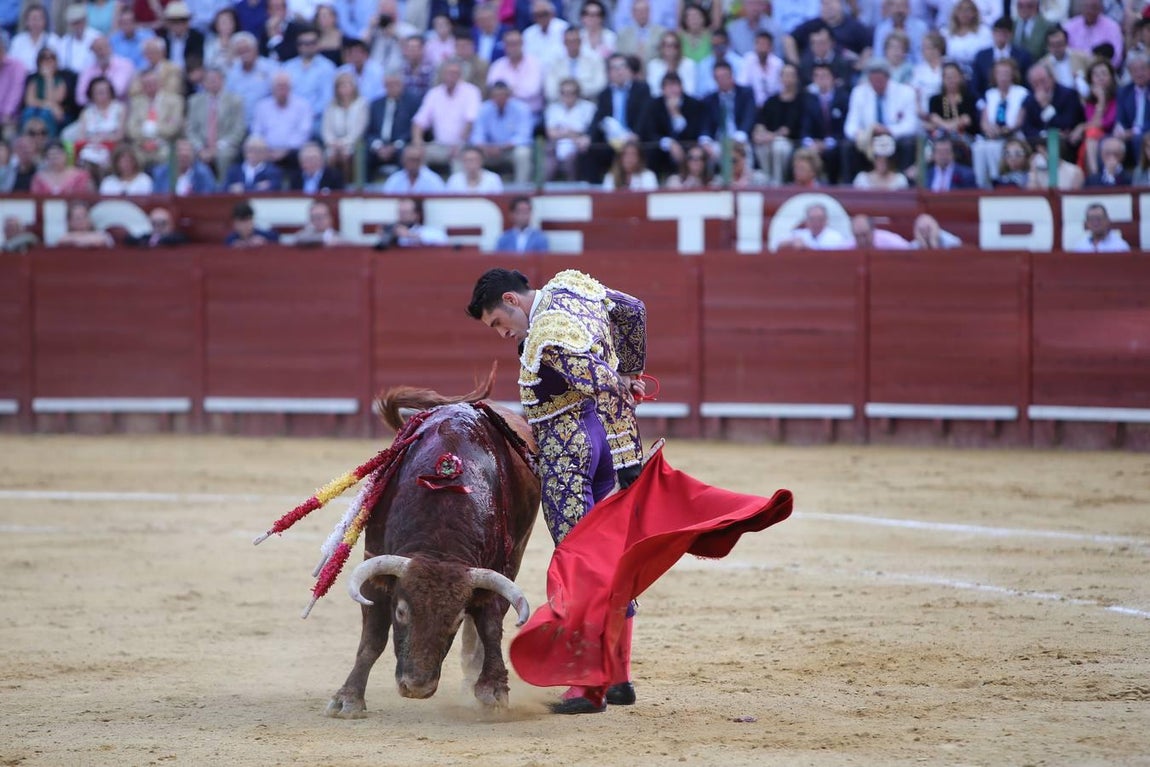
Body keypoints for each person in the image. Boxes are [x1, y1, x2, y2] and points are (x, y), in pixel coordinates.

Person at [466, 266, 647, 715]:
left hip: (570, 448)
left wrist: (620, 389)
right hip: (602, 438)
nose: (501, 334)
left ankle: (587, 687)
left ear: (511, 300)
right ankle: (618, 678)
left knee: (578, 562)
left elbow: (597, 380)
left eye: (497, 323)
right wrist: (630, 370)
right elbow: (633, 311)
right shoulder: (570, 287)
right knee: (608, 559)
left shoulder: (546, 333)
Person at [374, 197, 448, 249]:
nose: (401, 216)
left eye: (405, 212)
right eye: (400, 212)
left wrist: (410, 235)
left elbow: (442, 239)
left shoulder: (424, 231)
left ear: (416, 215)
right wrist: (384, 236)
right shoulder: (394, 230)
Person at [153, 137, 218, 193]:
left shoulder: (203, 173)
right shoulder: (161, 173)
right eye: (179, 151)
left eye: (187, 152)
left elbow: (208, 198)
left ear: (193, 155)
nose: (183, 154)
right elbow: (157, 197)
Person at [782, 203, 851, 249]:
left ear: (826, 220)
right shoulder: (799, 234)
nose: (816, 223)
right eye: (812, 219)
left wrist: (806, 248)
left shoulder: (836, 238)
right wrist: (791, 242)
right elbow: (777, 245)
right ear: (807, 221)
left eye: (819, 219)